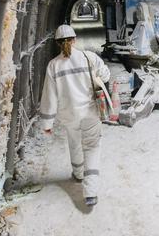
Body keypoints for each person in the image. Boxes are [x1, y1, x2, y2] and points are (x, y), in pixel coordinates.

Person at [39, 24, 110, 207]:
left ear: (57, 43)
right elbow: (106, 75)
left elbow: (50, 96)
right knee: (92, 147)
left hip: (69, 114)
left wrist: (47, 123)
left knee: (74, 142)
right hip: (90, 112)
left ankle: (78, 174)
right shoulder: (89, 57)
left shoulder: (53, 65)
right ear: (74, 39)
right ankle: (90, 193)